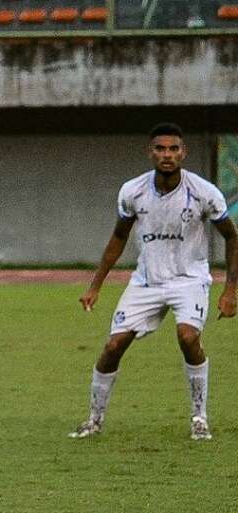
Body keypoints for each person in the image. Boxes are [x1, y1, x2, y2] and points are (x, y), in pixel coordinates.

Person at [70, 122, 236, 440]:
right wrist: (95, 285)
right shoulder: (132, 191)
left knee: (188, 338)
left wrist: (231, 290)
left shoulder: (203, 192)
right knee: (113, 345)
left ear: (183, 153)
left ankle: (199, 417)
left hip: (190, 280)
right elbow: (119, 236)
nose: (167, 155)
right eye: (160, 148)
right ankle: (94, 419)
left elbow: (232, 236)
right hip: (146, 282)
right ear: (151, 152)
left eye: (173, 148)